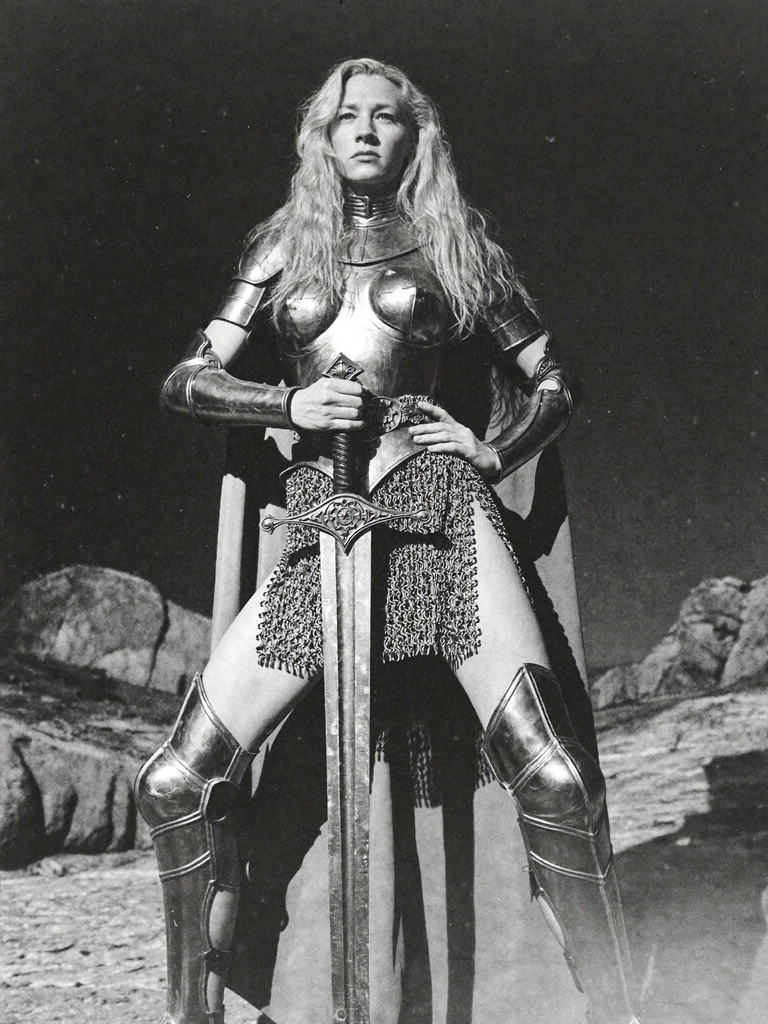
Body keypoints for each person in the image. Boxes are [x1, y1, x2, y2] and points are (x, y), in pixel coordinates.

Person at [135, 58, 640, 1024]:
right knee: (174, 784)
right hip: (324, 523)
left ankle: (619, 1012)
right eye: (346, 117)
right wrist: (285, 403)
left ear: (416, 136)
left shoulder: (455, 247)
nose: (365, 130)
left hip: (440, 505)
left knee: (555, 777)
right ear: (321, 140)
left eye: (386, 116)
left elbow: (554, 380)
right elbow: (186, 378)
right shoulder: (283, 249)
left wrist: (495, 452)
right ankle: (191, 1015)